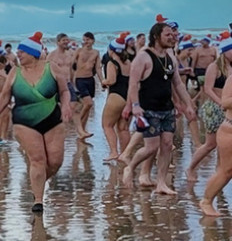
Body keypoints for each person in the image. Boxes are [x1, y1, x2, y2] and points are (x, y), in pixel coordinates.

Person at [0, 33, 72, 212]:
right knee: (37, 159)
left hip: (53, 119)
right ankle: (38, 200)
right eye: (18, 51)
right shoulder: (15, 72)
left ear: (33, 53)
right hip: (24, 122)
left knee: (55, 161)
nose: (18, 54)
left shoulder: (51, 67)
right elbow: (5, 96)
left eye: (22, 52)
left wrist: (66, 105)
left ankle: (37, 181)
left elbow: (64, 90)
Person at [123, 17, 195, 195]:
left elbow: (177, 83)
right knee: (151, 147)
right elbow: (133, 84)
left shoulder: (170, 56)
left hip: (167, 108)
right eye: (168, 34)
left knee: (167, 145)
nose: (173, 37)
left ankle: (161, 183)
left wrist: (188, 105)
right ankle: (130, 167)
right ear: (156, 36)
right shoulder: (144, 56)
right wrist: (135, 106)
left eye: (173, 34)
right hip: (149, 108)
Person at [188, 33, 230, 183]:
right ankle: (191, 168)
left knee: (224, 143)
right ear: (225, 51)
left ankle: (219, 172)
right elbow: (208, 89)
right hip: (214, 108)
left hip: (228, 110)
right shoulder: (214, 67)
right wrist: (220, 103)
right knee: (211, 144)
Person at [199, 34, 232, 217]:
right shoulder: (230, 77)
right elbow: (226, 102)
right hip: (229, 130)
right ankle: (206, 201)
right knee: (226, 171)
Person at [99, 33, 134, 162]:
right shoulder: (128, 62)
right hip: (128, 96)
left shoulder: (111, 62)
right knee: (123, 128)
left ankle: (114, 152)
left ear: (111, 50)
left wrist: (104, 82)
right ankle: (125, 154)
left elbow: (112, 80)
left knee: (107, 125)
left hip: (116, 96)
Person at [73, 32, 100, 140]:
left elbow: (98, 68)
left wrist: (103, 81)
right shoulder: (79, 51)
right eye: (84, 40)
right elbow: (71, 65)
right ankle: (78, 125)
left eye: (88, 40)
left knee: (87, 107)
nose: (86, 42)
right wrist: (70, 79)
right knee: (88, 103)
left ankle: (82, 131)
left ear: (93, 41)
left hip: (90, 80)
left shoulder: (96, 52)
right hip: (80, 79)